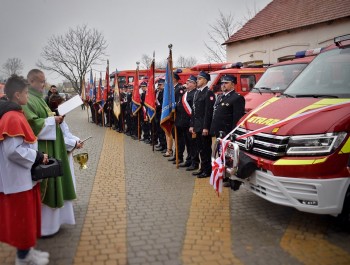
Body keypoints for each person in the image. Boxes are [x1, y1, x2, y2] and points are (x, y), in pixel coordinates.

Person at [0, 75, 50, 265]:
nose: (28, 96)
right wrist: (37, 157)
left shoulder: (13, 113)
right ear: (17, 94)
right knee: (22, 221)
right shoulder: (11, 117)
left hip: (22, 178)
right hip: (17, 181)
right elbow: (13, 151)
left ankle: (28, 252)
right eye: (27, 93)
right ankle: (23, 258)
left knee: (27, 220)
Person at [22, 69, 76, 237]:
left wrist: (55, 116)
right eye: (40, 81)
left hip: (53, 144)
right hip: (43, 148)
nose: (43, 85)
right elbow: (31, 123)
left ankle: (55, 223)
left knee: (57, 180)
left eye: (44, 81)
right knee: (47, 184)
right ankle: (45, 228)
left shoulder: (38, 98)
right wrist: (53, 120)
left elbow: (45, 116)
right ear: (31, 82)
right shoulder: (28, 100)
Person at [48, 94, 83, 191]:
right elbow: (60, 138)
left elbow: (67, 133)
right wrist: (75, 144)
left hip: (66, 153)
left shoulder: (62, 118)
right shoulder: (53, 119)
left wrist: (77, 139)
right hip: (60, 154)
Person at [189, 71, 215, 178]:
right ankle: (202, 168)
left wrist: (205, 127)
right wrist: (192, 125)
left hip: (204, 127)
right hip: (197, 126)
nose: (197, 80)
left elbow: (208, 112)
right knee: (200, 148)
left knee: (205, 149)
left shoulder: (208, 93)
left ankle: (207, 170)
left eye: (199, 79)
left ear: (205, 80)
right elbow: (194, 112)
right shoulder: (197, 92)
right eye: (197, 79)